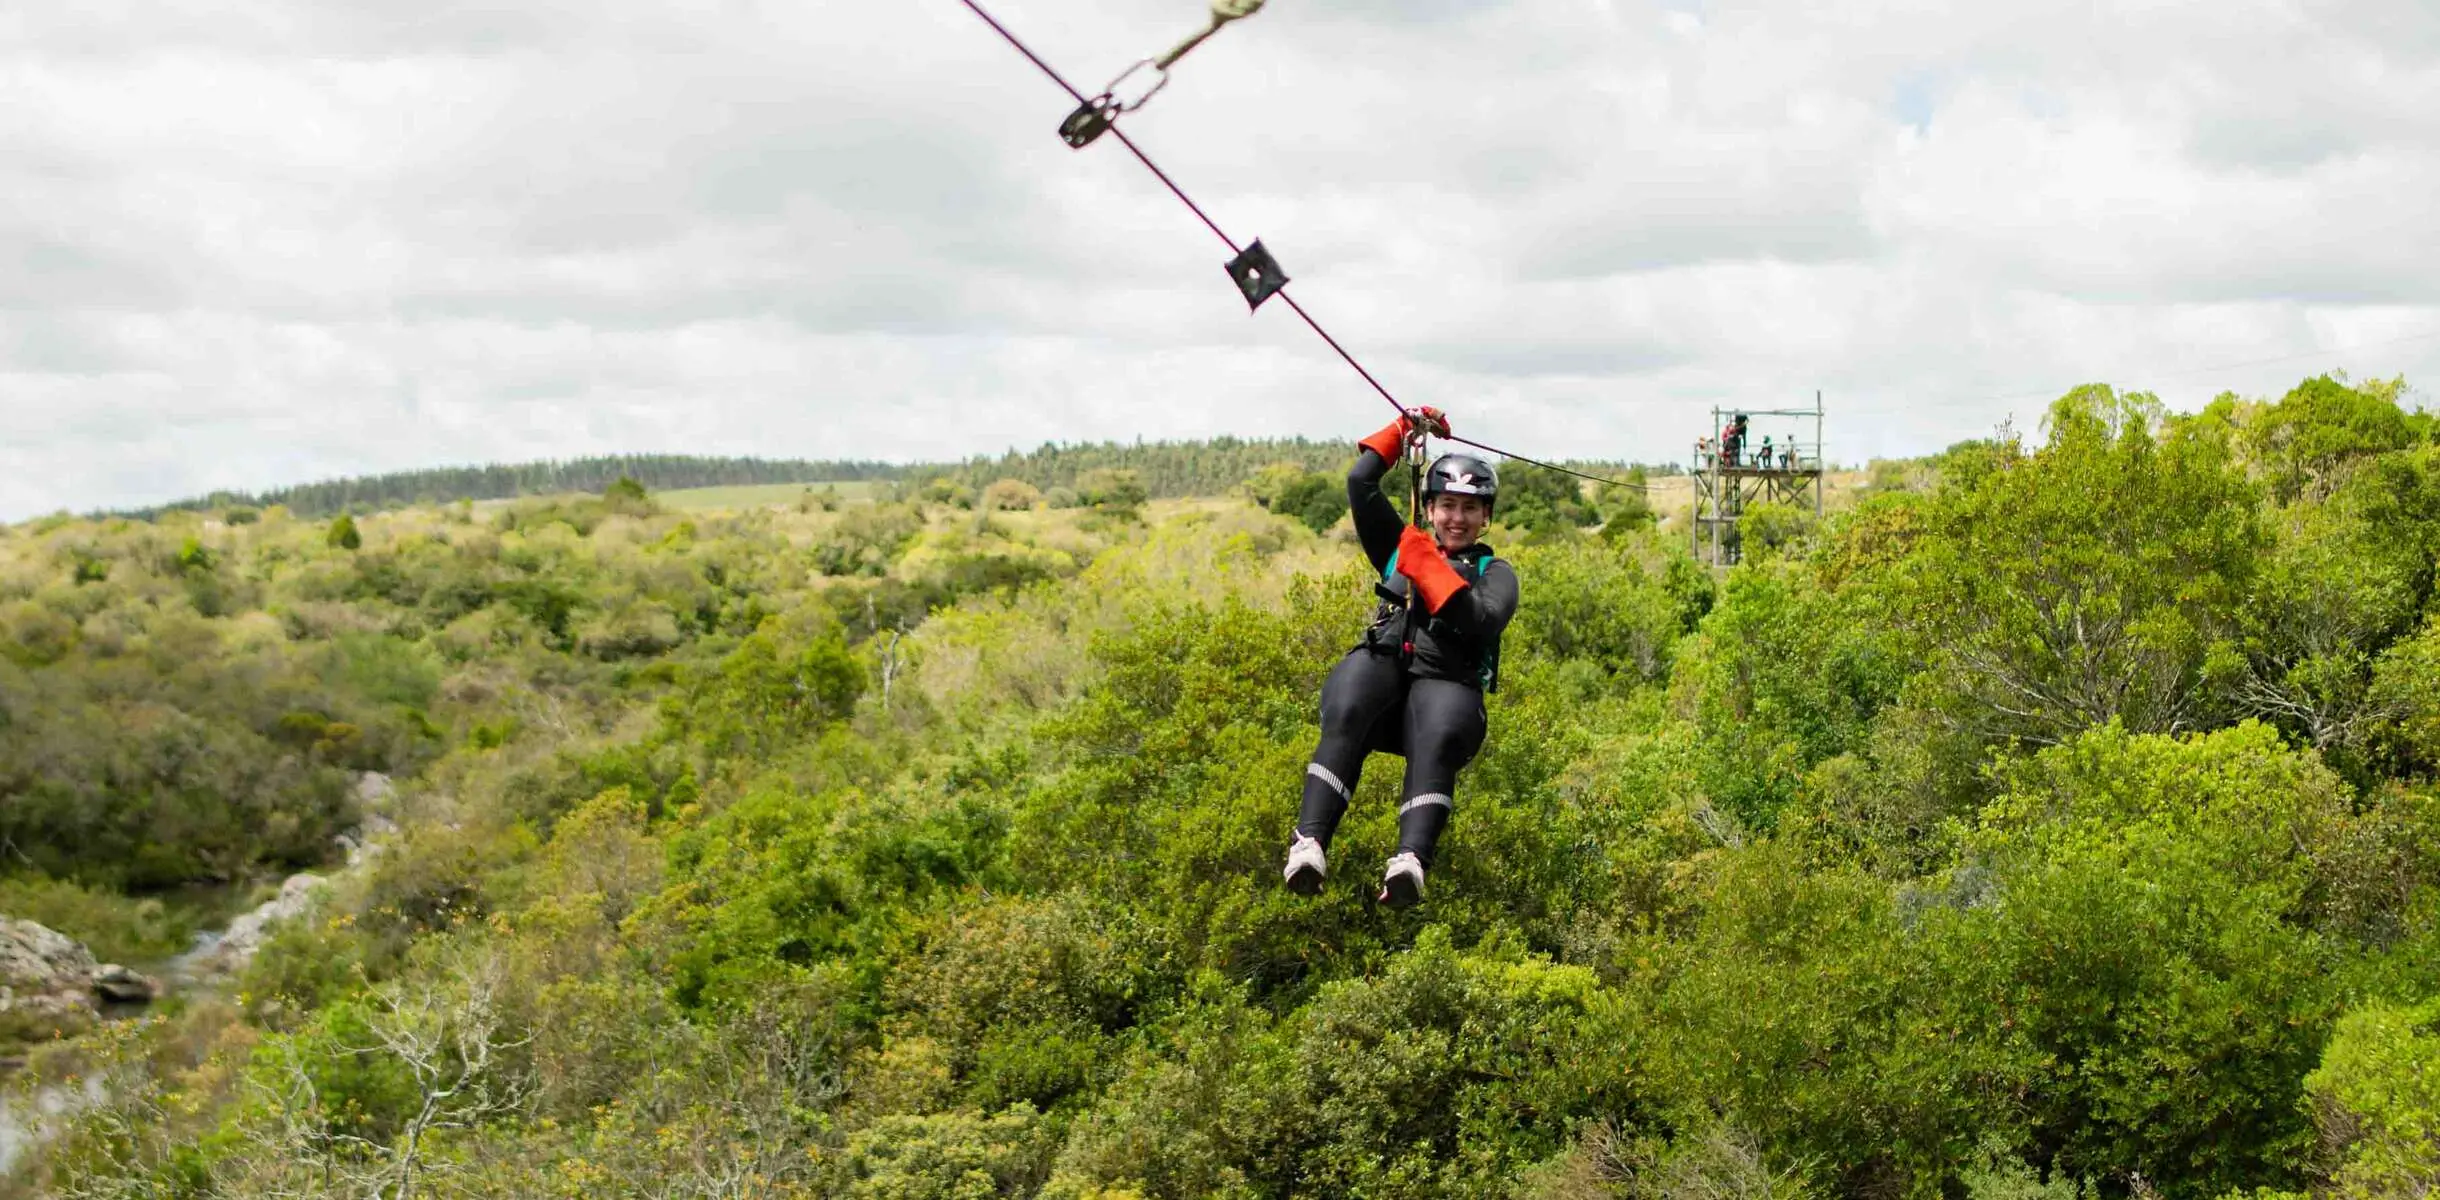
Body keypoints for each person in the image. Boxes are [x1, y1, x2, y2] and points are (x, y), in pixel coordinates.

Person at [1282, 407, 1521, 908]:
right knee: (1350, 695)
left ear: (1486, 517)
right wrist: (1401, 431)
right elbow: (1361, 483)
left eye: (1470, 509)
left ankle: (1410, 860)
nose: (1457, 518)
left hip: (1444, 689)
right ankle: (1309, 844)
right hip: (1383, 685)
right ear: (1429, 508)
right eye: (1447, 505)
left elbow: (1482, 618)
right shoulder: (1400, 547)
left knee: (1440, 728)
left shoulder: (1496, 571)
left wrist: (1430, 569)